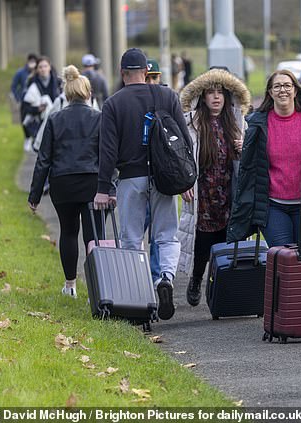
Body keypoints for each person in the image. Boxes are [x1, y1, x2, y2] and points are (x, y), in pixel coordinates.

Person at [93, 48, 192, 321]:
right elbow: (185, 140)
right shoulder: (167, 95)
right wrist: (187, 180)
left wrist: (104, 188)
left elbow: (108, 151)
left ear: (122, 72)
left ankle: (138, 298)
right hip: (165, 178)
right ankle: (166, 279)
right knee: (167, 236)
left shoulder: (113, 104)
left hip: (130, 179)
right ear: (146, 71)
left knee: (131, 238)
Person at [28, 65, 104, 298]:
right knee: (94, 236)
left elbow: (44, 159)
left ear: (67, 95)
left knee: (68, 233)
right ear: (88, 93)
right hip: (92, 182)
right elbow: (107, 155)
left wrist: (35, 194)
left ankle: (70, 285)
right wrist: (110, 184)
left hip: (63, 183)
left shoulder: (54, 119)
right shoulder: (99, 118)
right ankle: (97, 286)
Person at [177, 68, 250, 306]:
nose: (216, 97)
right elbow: (184, 156)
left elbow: (251, 158)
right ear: (202, 96)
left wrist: (243, 147)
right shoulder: (193, 124)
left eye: (220, 92)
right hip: (203, 192)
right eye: (211, 92)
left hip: (229, 190)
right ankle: (196, 279)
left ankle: (218, 288)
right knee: (202, 242)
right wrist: (184, 183)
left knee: (225, 241)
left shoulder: (237, 122)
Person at [227, 70, 301, 247]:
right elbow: (251, 164)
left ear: (295, 90)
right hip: (273, 205)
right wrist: (245, 148)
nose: (282, 90)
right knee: (282, 256)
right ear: (270, 92)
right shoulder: (259, 123)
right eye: (277, 86)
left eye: (287, 85)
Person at [143, 58, 163, 282]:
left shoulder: (167, 101)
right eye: (147, 78)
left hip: (161, 177)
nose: (151, 83)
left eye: (154, 78)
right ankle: (137, 275)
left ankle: (156, 277)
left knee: (158, 233)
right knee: (134, 232)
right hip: (137, 174)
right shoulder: (130, 103)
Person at [22, 56, 61, 152]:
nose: (43, 69)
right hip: (38, 121)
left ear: (50, 67)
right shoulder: (31, 83)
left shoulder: (58, 82)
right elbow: (25, 107)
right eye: (40, 67)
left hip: (56, 121)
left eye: (45, 66)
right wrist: (38, 109)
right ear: (37, 69)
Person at [10, 53, 38, 125]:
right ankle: (27, 136)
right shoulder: (20, 72)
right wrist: (18, 98)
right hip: (24, 101)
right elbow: (13, 87)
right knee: (25, 121)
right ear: (27, 61)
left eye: (34, 61)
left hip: (36, 101)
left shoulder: (38, 72)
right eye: (31, 61)